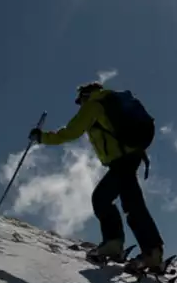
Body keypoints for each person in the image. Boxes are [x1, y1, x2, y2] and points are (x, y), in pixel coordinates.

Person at [29, 81, 164, 272]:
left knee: (101, 198)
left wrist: (42, 137)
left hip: (122, 160)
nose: (80, 104)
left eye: (79, 100)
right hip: (131, 156)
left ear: (85, 95)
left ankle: (115, 243)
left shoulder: (93, 104)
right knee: (132, 204)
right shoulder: (110, 101)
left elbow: (70, 132)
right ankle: (152, 252)